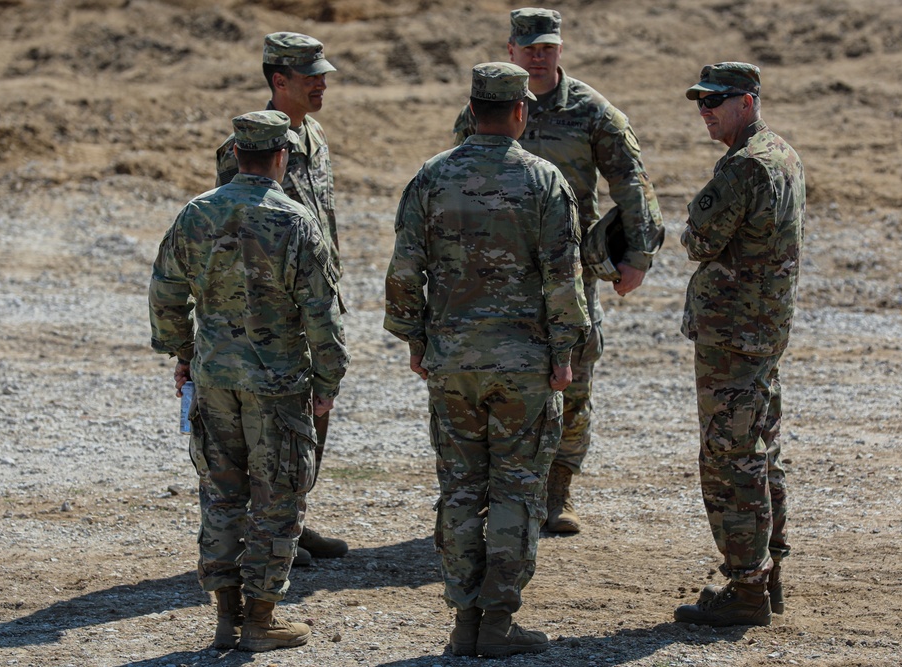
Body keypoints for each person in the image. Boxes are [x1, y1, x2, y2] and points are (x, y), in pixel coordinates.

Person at [386, 63, 590, 657]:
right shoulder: (545, 181)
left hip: (453, 363)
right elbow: (562, 279)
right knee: (516, 492)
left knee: (458, 489)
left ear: (473, 111)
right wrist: (564, 353)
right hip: (523, 366)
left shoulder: (431, 177)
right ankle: (495, 622)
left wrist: (416, 342)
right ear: (521, 112)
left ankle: (463, 621)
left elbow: (405, 270)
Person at [453, 7, 664, 533]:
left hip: (569, 270)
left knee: (575, 378)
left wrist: (638, 255)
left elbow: (632, 183)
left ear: (560, 50)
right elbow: (456, 184)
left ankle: (558, 493)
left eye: (547, 46)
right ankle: (496, 492)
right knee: (497, 380)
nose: (538, 55)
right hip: (498, 275)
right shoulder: (486, 110)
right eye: (529, 48)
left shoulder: (593, 112)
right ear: (511, 51)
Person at [149, 110, 350, 650]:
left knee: (221, 495)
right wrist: (328, 378)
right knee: (277, 499)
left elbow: (166, 295)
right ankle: (260, 618)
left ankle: (224, 615)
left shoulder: (195, 214)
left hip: (216, 380)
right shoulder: (296, 220)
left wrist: (184, 355)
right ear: (282, 157)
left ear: (237, 154)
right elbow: (321, 314)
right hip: (278, 386)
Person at [673, 62, 805, 627]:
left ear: (746, 102)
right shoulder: (783, 153)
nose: (705, 111)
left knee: (730, 460)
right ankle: (767, 575)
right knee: (759, 451)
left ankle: (747, 588)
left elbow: (698, 239)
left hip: (733, 334)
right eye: (699, 101)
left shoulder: (745, 167)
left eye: (715, 101)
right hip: (762, 331)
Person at [215, 31, 347, 565]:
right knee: (267, 428)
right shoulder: (243, 150)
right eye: (311, 76)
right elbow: (234, 235)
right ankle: (260, 532)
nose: (321, 84)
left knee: (312, 417)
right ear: (279, 81)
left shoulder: (313, 135)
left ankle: (292, 520)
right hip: (268, 314)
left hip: (313, 303)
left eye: (323, 75)